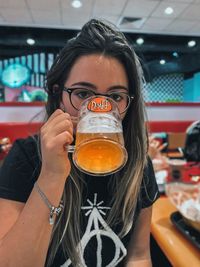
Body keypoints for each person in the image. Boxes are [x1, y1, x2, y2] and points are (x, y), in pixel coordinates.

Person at [0, 19, 159, 267]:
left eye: (115, 96)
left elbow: (139, 255)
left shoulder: (139, 165)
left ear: (129, 104)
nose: (99, 112)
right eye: (83, 94)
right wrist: (52, 174)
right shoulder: (26, 157)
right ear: (59, 95)